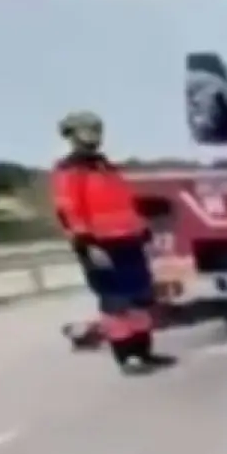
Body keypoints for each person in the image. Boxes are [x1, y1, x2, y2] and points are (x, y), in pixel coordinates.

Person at [53, 111, 177, 375]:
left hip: (129, 242)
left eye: (98, 129)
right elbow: (69, 210)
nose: (95, 135)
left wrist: (143, 229)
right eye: (88, 130)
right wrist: (86, 244)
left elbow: (123, 204)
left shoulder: (104, 167)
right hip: (101, 246)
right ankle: (127, 358)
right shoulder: (71, 171)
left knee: (140, 298)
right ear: (72, 136)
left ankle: (144, 353)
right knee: (116, 303)